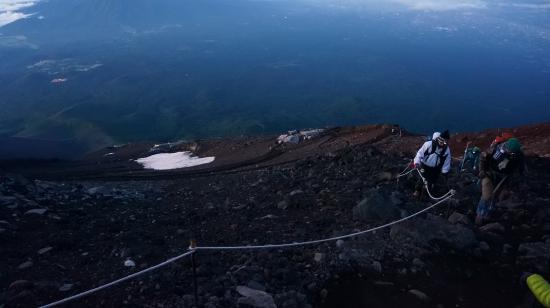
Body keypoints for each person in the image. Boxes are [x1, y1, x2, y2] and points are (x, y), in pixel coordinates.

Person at [475, 137, 524, 225]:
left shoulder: (518, 156)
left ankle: (488, 215)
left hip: (504, 178)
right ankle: (479, 216)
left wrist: (513, 181)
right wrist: (482, 170)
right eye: (509, 151)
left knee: (495, 196)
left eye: (512, 152)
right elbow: (483, 157)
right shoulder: (495, 148)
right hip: (490, 173)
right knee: (487, 195)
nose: (510, 153)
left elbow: (520, 170)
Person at [412, 130, 452, 198]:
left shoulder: (446, 150)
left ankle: (426, 193)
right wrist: (417, 163)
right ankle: (417, 191)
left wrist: (444, 171)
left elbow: (447, 160)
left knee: (432, 180)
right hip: (425, 165)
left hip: (435, 168)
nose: (443, 143)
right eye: (442, 141)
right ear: (439, 139)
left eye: (445, 142)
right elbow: (420, 154)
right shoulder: (429, 144)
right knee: (422, 178)